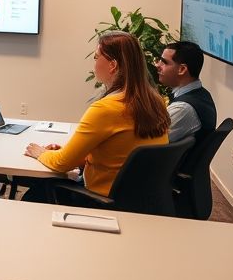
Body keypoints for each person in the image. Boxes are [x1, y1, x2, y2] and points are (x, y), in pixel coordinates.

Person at [23, 31, 170, 199]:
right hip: (141, 198)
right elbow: (120, 152)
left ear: (112, 65)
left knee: (35, 194)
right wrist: (72, 152)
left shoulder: (106, 108)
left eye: (96, 57)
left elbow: (62, 164)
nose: (93, 63)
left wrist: (41, 153)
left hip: (101, 198)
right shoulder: (156, 101)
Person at [156, 41, 217, 143]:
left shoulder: (183, 108)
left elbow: (151, 141)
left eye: (164, 62)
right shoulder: (202, 93)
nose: (157, 65)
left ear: (182, 69)